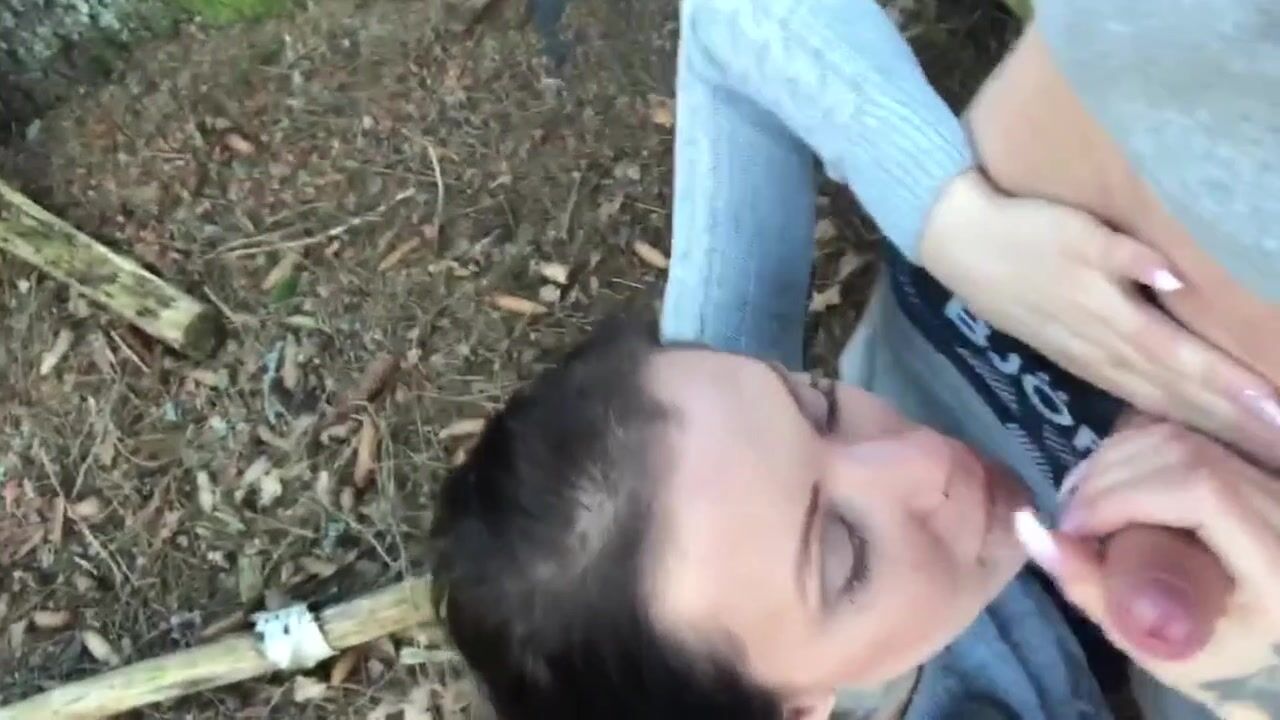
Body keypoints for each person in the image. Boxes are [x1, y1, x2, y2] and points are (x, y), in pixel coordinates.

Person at [430, 0, 1280, 717]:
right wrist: (1255, 676)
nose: (925, 464)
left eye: (819, 405)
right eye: (847, 554)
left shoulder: (705, 467)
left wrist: (948, 221)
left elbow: (730, 19)